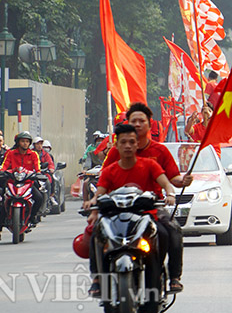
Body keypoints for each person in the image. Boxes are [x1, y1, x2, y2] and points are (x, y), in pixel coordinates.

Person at [102, 102, 193, 292]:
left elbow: (171, 179)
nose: (137, 124)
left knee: (172, 232)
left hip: (151, 206)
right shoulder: (114, 152)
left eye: (141, 121)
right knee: (99, 233)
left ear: (149, 125)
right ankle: (100, 279)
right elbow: (104, 181)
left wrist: (180, 183)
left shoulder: (159, 152)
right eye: (133, 121)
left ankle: (173, 276)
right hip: (120, 207)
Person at [83, 123, 177, 298]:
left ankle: (162, 274)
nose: (127, 146)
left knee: (164, 234)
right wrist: (92, 202)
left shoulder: (150, 165)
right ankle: (97, 280)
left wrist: (170, 194)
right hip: (115, 218)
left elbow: (166, 184)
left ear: (137, 144)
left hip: (146, 216)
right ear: (116, 146)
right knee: (97, 234)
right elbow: (100, 192)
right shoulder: (109, 170)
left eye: (131, 142)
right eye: (123, 142)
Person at [0, 131, 43, 241]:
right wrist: (2, 172)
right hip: (11, 182)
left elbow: (37, 167)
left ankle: (32, 217)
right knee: (3, 203)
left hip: (28, 183)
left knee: (39, 197)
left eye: (27, 142)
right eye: (22, 141)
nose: (25, 143)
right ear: (18, 142)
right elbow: (4, 165)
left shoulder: (34, 154)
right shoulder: (10, 153)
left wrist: (38, 174)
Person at [33, 137, 57, 206]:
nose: (39, 146)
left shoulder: (46, 154)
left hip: (43, 173)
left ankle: (50, 197)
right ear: (34, 145)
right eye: (37, 144)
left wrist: (51, 169)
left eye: (41, 144)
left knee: (48, 182)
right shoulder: (30, 153)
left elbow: (50, 163)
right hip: (32, 174)